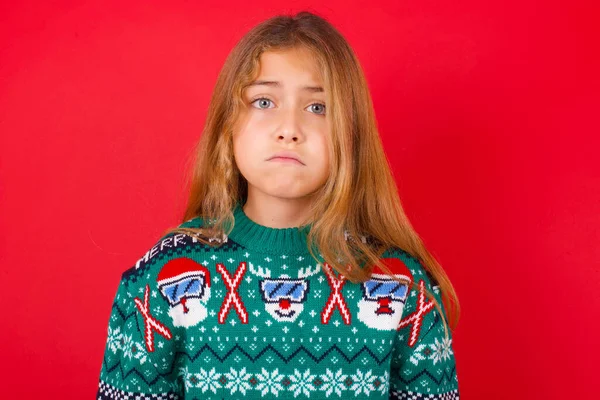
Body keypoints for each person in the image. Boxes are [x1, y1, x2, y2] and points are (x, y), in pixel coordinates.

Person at [96, 10, 460, 400]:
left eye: (317, 107)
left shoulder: (402, 286)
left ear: (350, 136)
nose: (289, 129)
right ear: (227, 126)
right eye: (264, 101)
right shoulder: (159, 281)